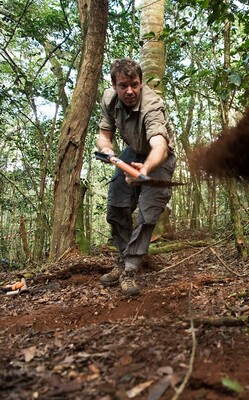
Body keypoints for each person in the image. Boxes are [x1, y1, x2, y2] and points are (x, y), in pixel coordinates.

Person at [96, 58, 176, 296]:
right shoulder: (109, 100)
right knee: (116, 206)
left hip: (157, 158)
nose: (130, 91)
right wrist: (107, 149)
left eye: (134, 84)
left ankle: (130, 270)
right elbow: (103, 134)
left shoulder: (152, 105)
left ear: (141, 83)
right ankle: (122, 259)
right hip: (131, 152)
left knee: (147, 212)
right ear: (114, 85)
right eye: (123, 86)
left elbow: (159, 144)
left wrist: (145, 170)